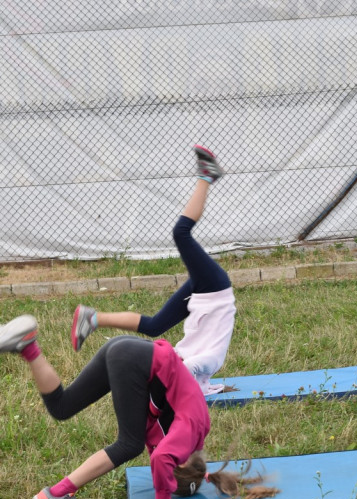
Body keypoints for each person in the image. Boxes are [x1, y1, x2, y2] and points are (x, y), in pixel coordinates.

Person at [0, 319, 278, 499]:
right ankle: (57, 494)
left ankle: (28, 346)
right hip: (135, 359)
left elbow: (162, 451)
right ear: (183, 462)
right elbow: (161, 458)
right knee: (129, 445)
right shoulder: (190, 432)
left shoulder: (181, 435)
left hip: (125, 350)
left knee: (62, 407)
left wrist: (202, 478)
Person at [70, 145, 236, 396]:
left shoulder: (181, 357)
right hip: (215, 290)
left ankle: (92, 319)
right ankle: (207, 175)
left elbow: (164, 361)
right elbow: (188, 370)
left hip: (202, 299)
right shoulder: (206, 363)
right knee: (181, 233)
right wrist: (176, 389)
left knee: (154, 326)